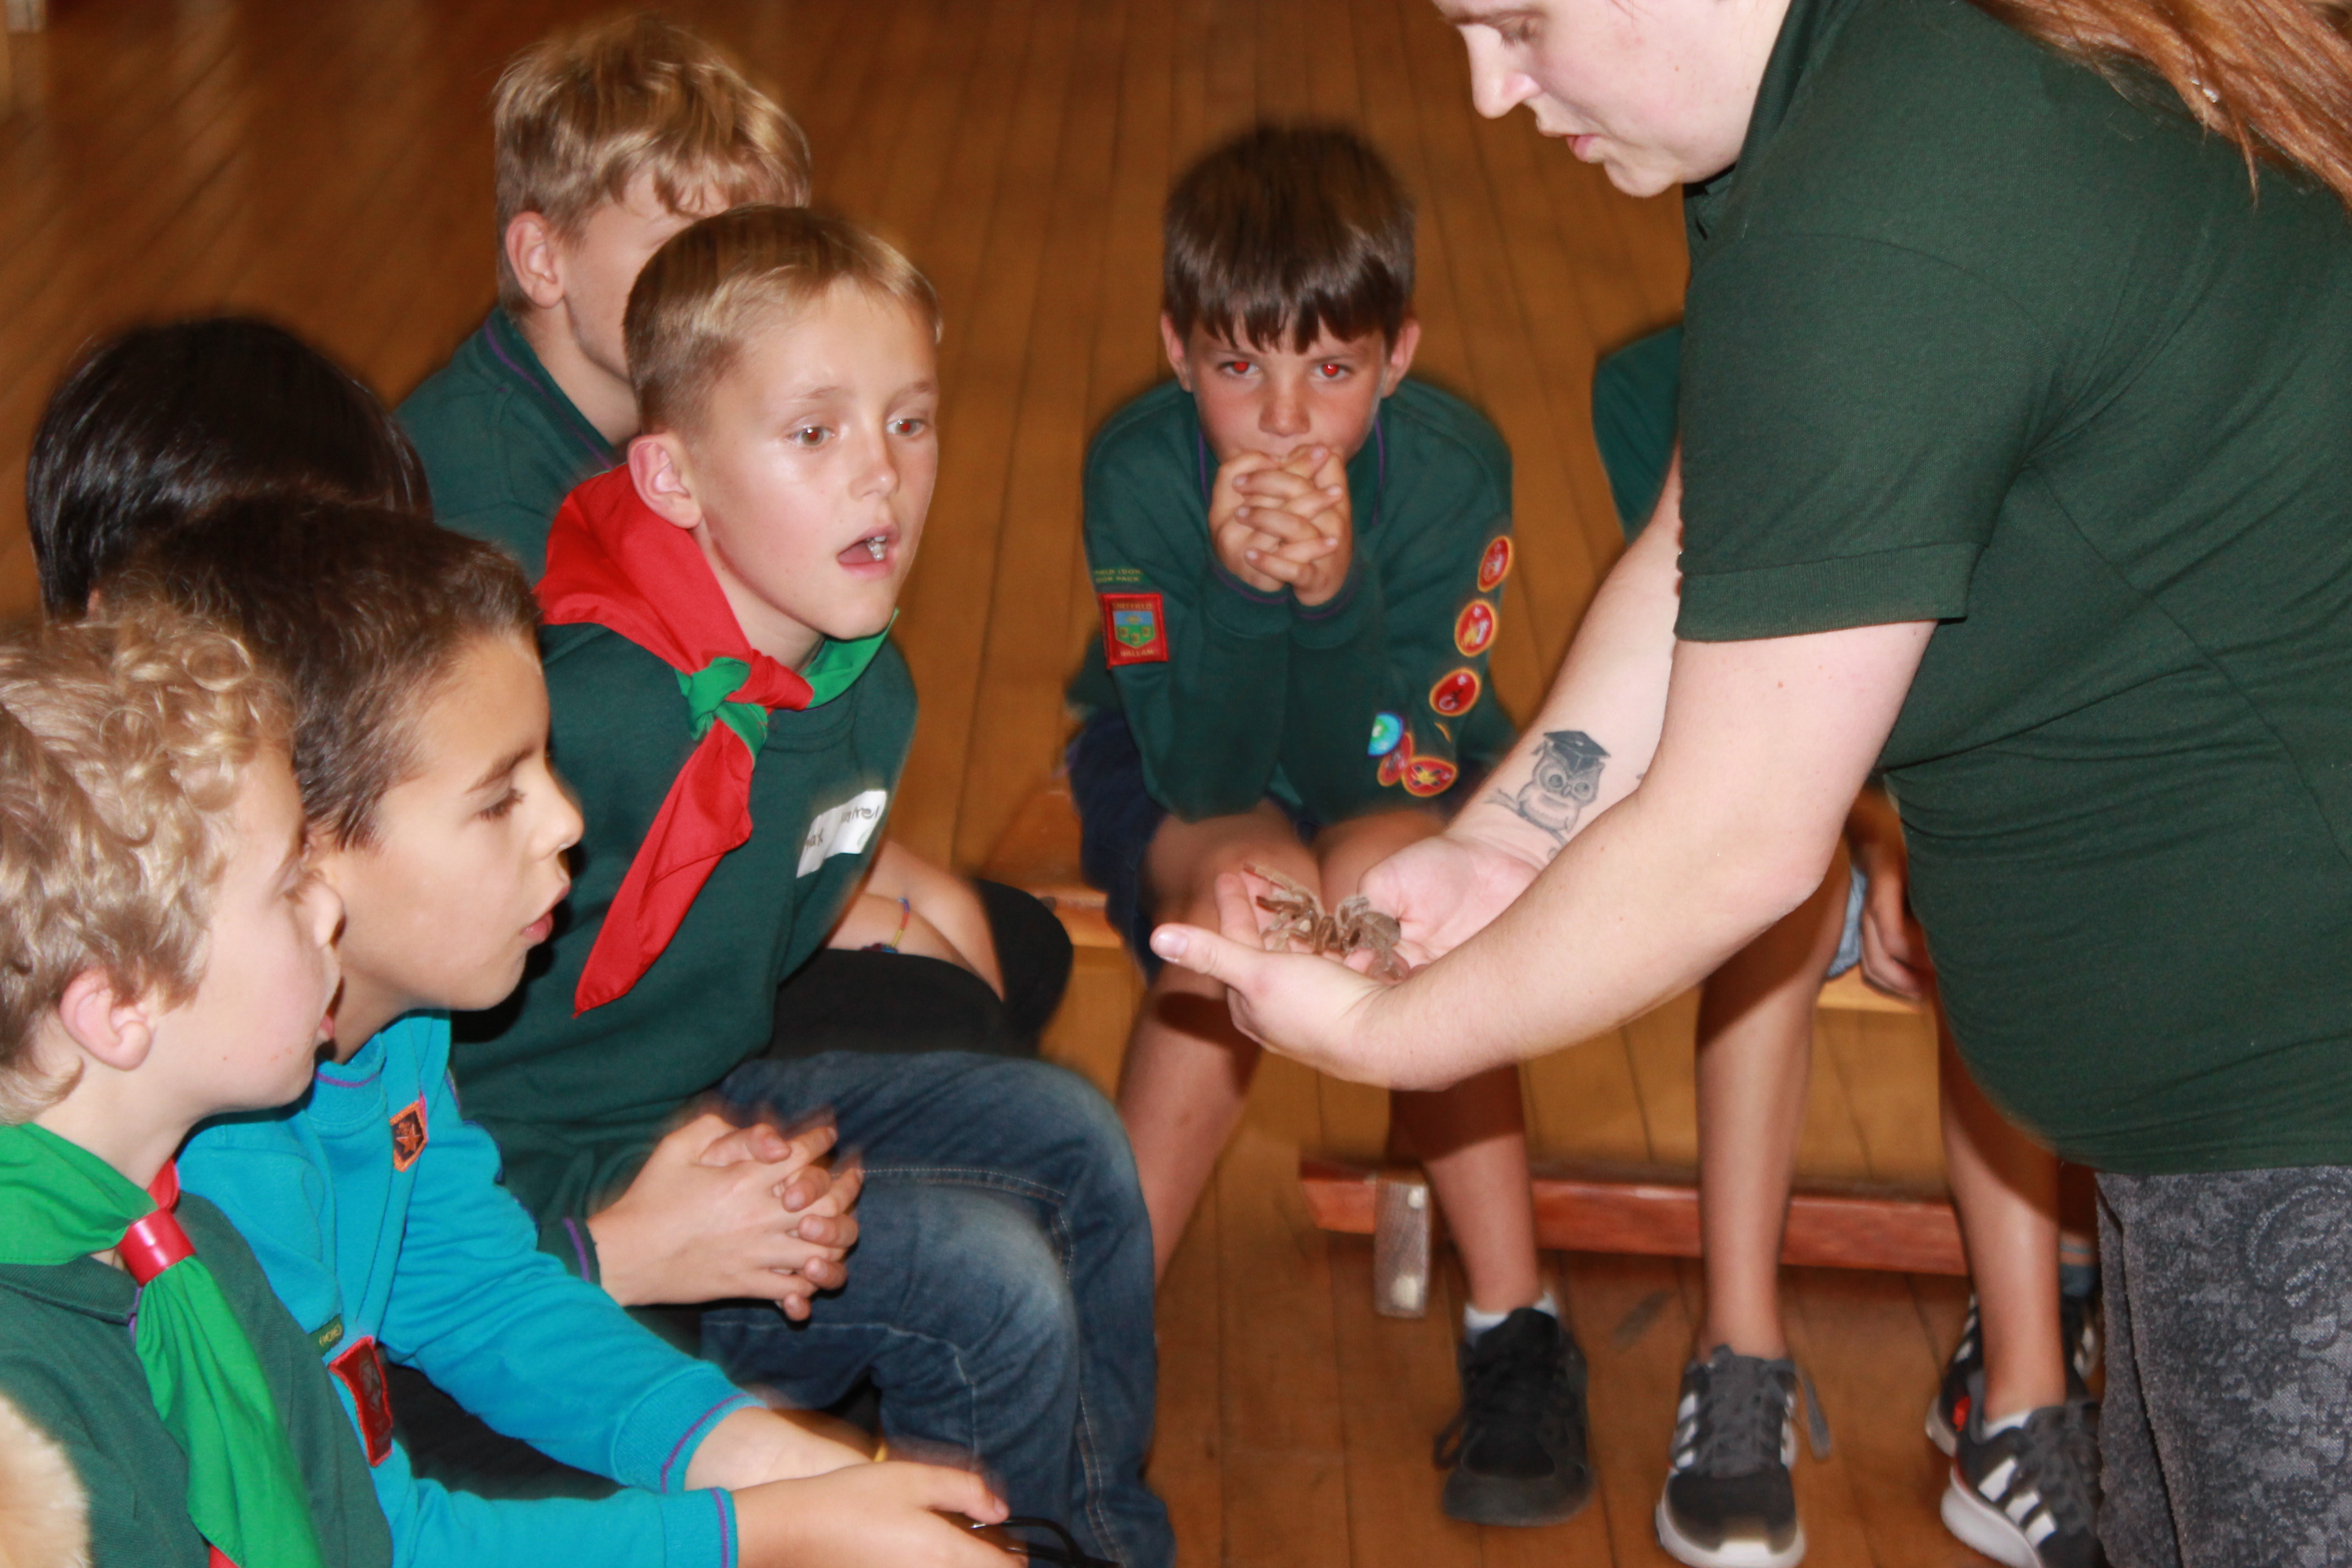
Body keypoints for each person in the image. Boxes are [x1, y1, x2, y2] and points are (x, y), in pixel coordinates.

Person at [1149, 1, 2352, 1562]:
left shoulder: (1881, 198)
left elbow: (1736, 844)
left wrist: (1389, 1028)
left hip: (2297, 1113)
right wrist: (1507, 839)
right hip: (2224, 1111)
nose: (1489, 90)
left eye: (1517, 23)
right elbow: (1718, 536)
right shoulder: (1849, 115)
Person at [27, 318, 1016, 1568]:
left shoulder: (382, 1025)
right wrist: (760, 1529)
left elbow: (466, 1280)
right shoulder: (213, 1169)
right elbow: (369, 1535)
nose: (566, 817)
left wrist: (769, 1462)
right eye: (499, 793)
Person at [450, 204, 1172, 1568]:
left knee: (1074, 1137)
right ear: (670, 477)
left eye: (911, 422)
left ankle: (1105, 1544)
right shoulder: (583, 713)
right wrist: (616, 1214)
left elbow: (735, 969)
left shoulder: (863, 687)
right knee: (987, 1281)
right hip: (529, 1199)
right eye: (814, 433)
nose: (881, 479)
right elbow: (416, 1057)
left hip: (687, 1102)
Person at [1065, 123, 1584, 1528]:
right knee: (1239, 910)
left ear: (1397, 357)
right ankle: (1090, 1347)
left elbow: (1397, 760)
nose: (1287, 419)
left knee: (1401, 914)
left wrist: (1338, 587)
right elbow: (1199, 763)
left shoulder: (1456, 470)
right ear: (1178, 351)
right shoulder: (1135, 475)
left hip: (1397, 760)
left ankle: (1516, 1324)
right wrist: (1244, 593)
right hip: (1187, 761)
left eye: (1333, 370)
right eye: (1241, 367)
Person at [398, 14, 1063, 1042]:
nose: (738, 289)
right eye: (692, 247)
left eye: (760, 248)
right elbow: (609, 807)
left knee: (1018, 945)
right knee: (950, 1008)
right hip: (552, 983)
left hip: (689, 862)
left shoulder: (640, 421)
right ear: (543, 258)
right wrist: (874, 905)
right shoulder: (492, 512)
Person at [1596, 326, 2105, 1568]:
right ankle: (1738, 1352)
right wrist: (1874, 835)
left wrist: (1922, 844)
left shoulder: (2025, 369)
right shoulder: (1676, 385)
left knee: (2004, 868)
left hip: (1968, 792)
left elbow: (2035, 695)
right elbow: (1732, 725)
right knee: (1773, 882)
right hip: (1794, 796)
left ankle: (2019, 1395)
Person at [0, 604, 391, 1568]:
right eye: (288, 880)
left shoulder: (192, 1251)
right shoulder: (24, 1397)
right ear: (123, 1005)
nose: (329, 900)